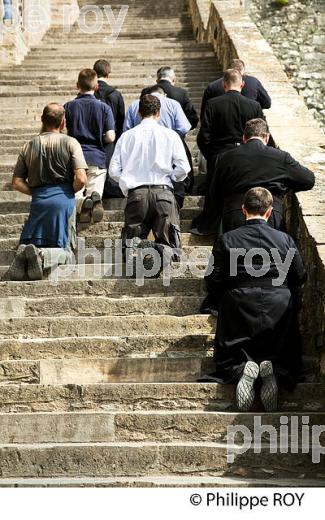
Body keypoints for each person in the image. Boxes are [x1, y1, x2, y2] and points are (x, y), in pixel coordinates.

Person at [203, 188, 306, 412]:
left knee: (229, 356)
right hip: (279, 304)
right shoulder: (285, 239)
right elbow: (300, 275)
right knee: (287, 356)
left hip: (238, 303)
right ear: (269, 212)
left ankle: (242, 369)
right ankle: (275, 370)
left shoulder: (226, 238)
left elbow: (212, 277)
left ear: (243, 209)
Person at [109, 94, 191, 270]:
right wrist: (171, 178)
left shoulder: (126, 137)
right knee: (171, 244)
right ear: (159, 112)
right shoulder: (170, 135)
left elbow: (113, 171)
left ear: (139, 112)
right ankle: (160, 250)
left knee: (130, 243)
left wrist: (127, 185)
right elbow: (184, 168)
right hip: (163, 193)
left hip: (136, 194)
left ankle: (140, 253)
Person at [9, 103, 87, 281]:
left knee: (36, 240)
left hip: (39, 200)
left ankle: (28, 251)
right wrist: (68, 191)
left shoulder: (28, 146)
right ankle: (42, 256)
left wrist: (36, 192)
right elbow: (81, 178)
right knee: (67, 252)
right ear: (63, 122)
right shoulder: (70, 143)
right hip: (63, 201)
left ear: (42, 120)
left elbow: (16, 182)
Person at [191, 69, 264, 236]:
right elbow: (261, 133)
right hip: (247, 155)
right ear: (242, 84)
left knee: (216, 193)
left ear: (224, 85)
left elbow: (204, 136)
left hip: (220, 155)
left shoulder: (212, 104)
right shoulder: (254, 105)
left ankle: (213, 226)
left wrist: (212, 155)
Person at [213, 118, 315, 233]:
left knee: (233, 250)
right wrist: (285, 186)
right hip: (270, 215)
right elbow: (308, 179)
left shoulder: (225, 157)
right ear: (266, 137)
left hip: (234, 214)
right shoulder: (281, 157)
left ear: (244, 138)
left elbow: (215, 191)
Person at [124, 85, 192, 207]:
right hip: (167, 164)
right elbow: (184, 128)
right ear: (164, 94)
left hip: (139, 168)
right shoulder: (173, 104)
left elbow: (126, 131)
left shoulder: (134, 105)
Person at [64, 69, 116, 223]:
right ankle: (94, 199)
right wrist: (100, 138)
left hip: (74, 157)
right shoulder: (104, 108)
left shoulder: (68, 106)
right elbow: (111, 136)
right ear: (96, 87)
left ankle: (82, 205)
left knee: (75, 194)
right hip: (97, 156)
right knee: (95, 187)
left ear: (77, 85)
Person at [93, 59, 125, 199]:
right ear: (108, 74)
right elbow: (121, 120)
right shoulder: (116, 95)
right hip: (111, 139)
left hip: (92, 140)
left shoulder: (89, 92)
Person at [201, 58, 271, 115]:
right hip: (248, 125)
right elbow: (267, 103)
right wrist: (254, 106)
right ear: (243, 70)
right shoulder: (254, 82)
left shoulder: (213, 86)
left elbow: (205, 113)